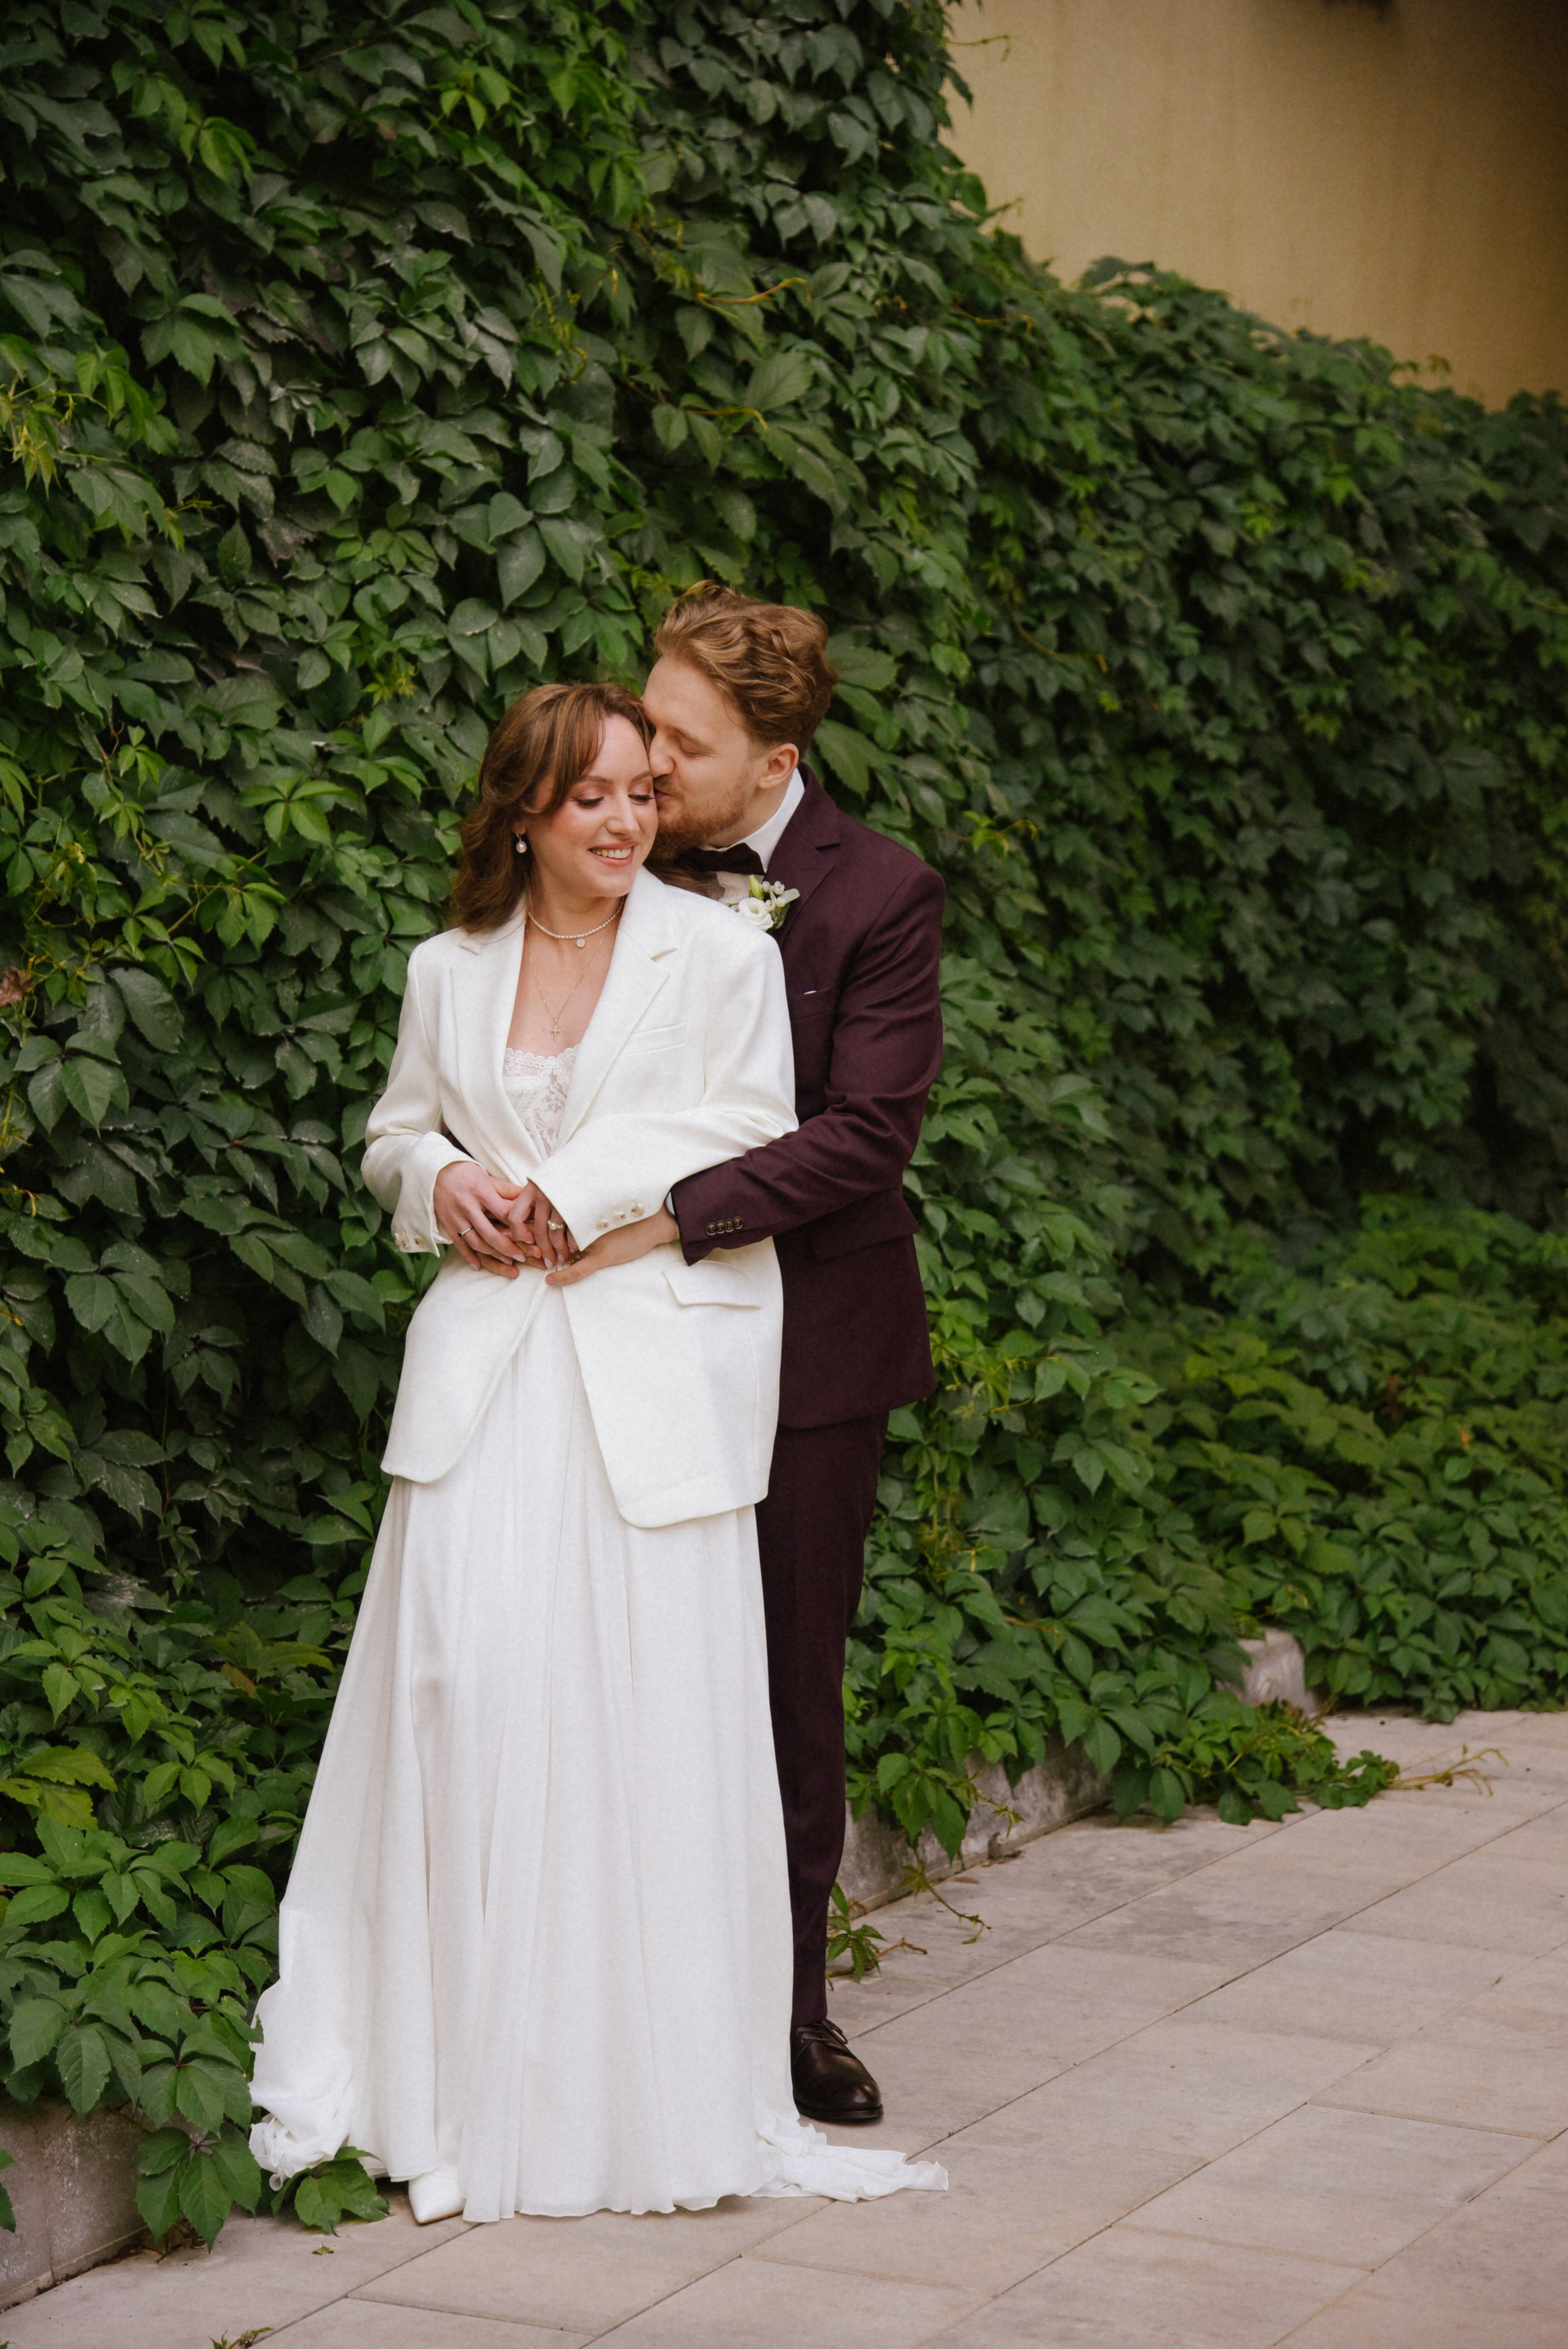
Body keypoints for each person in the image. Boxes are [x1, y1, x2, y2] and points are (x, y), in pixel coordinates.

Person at [248, 680, 945, 2223]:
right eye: (594, 798)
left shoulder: (722, 952)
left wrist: (585, 1191)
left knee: (647, 1721)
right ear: (522, 816)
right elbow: (394, 1132)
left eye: (644, 789)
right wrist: (442, 1184)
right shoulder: (448, 967)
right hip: (488, 1372)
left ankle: (634, 2089)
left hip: (650, 1367)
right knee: (470, 1688)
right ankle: (454, 2074)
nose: (632, 818)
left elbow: (751, 1124)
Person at [550, 591, 946, 2128]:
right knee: (626, 1663)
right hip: (620, 1334)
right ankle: (613, 1998)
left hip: (813, 1350)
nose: (644, 760)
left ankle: (792, 2015)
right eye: (647, 718)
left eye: (681, 742)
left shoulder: (882, 892)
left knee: (785, 1680)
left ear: (777, 763)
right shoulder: (614, 857)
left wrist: (668, 1216)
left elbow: (864, 1136)